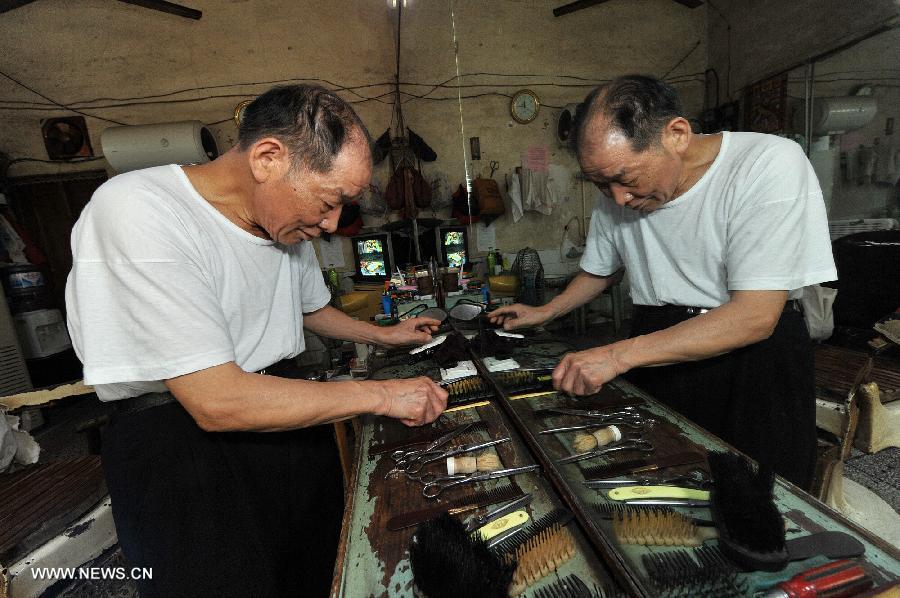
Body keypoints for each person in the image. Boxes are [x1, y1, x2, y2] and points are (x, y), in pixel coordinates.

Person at [65, 84, 448, 597]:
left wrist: (385, 335)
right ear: (268, 157)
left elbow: (310, 309)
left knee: (319, 574)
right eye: (330, 201)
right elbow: (216, 401)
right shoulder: (140, 210)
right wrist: (381, 396)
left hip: (286, 419)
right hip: (184, 448)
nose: (333, 223)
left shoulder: (284, 226)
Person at [490, 75, 835, 490]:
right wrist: (545, 311)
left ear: (676, 134)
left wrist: (615, 356)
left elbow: (755, 316)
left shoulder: (766, 163)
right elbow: (601, 270)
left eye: (625, 179)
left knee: (758, 497)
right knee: (659, 474)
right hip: (658, 344)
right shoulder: (617, 192)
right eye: (601, 184)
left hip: (753, 358)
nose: (618, 199)